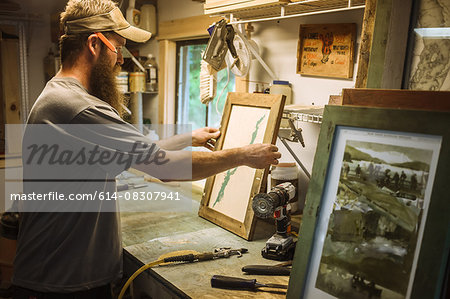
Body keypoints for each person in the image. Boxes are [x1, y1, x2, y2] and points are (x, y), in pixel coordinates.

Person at [12, 1, 281, 298]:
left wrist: (187, 138)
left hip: (58, 274)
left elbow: (137, 153)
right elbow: (164, 167)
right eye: (118, 48)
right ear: (93, 44)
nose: (121, 61)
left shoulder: (60, 94)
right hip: (59, 284)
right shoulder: (79, 107)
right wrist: (242, 156)